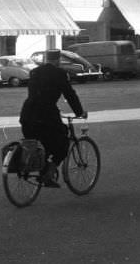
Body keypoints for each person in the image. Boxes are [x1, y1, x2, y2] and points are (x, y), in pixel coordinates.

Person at [19, 49, 87, 188]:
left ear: (46, 60)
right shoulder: (60, 73)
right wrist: (80, 112)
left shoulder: (35, 72)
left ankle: (39, 167)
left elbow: (36, 95)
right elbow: (70, 94)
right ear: (58, 61)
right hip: (46, 114)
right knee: (62, 143)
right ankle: (48, 173)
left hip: (27, 114)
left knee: (37, 142)